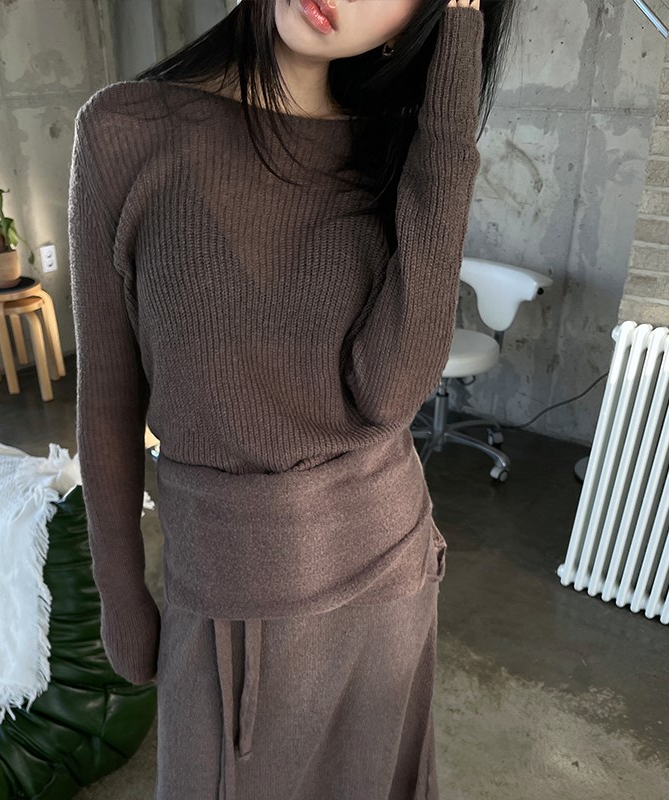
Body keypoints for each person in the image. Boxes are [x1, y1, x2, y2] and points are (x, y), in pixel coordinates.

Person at [68, 0, 517, 797]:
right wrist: (119, 585)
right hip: (228, 581)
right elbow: (107, 398)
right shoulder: (125, 130)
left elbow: (388, 393)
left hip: (388, 580)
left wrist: (446, 135)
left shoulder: (391, 150)